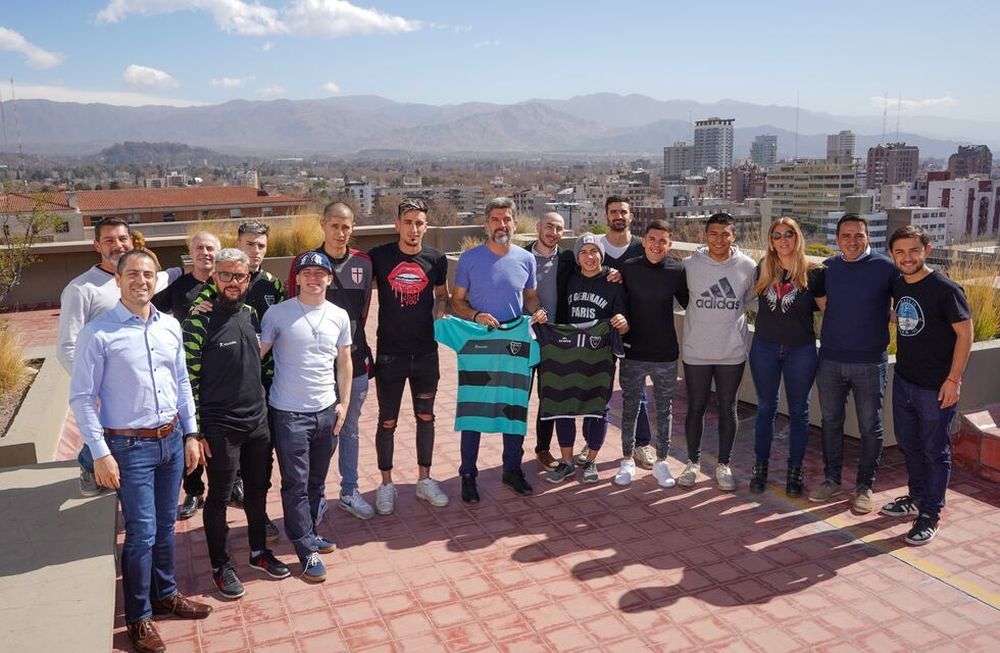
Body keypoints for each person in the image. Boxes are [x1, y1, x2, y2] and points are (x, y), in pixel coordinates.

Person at [69, 248, 211, 653]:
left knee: (166, 526)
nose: (142, 281)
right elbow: (81, 398)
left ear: (155, 280)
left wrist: (190, 434)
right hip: (128, 447)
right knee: (142, 533)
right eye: (133, 274)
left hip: (170, 441)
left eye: (148, 274)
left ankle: (165, 595)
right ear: (118, 279)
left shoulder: (169, 326)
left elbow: (182, 382)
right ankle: (138, 618)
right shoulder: (99, 333)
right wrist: (100, 453)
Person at [182, 248, 290, 600]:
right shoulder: (198, 321)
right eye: (226, 275)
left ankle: (258, 552)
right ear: (214, 277)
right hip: (219, 427)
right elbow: (187, 381)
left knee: (258, 490)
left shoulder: (250, 313)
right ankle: (220, 566)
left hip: (256, 422)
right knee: (219, 497)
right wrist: (195, 431)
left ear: (248, 279)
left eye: (240, 276)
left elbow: (262, 366)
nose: (233, 282)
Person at [57, 217, 180, 497]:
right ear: (97, 244)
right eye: (109, 240)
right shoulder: (81, 289)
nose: (117, 245)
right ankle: (90, 467)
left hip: (137, 375)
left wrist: (186, 269)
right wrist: (92, 385)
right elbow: (66, 345)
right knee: (101, 431)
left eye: (122, 239)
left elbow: (164, 277)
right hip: (101, 380)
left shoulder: (140, 277)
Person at [445, 197, 547, 502]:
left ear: (515, 223)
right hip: (480, 342)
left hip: (515, 343)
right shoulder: (469, 259)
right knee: (474, 408)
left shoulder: (526, 259)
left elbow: (530, 298)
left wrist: (538, 311)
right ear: (486, 224)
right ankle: (468, 474)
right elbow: (456, 301)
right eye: (495, 219)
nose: (501, 225)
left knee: (514, 409)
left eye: (507, 219)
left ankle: (512, 469)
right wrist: (476, 316)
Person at [190, 220, 285, 539]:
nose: (255, 250)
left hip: (263, 390)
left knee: (261, 469)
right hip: (223, 401)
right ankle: (223, 543)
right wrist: (196, 428)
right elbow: (194, 359)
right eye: (249, 244)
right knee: (227, 476)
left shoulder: (273, 284)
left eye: (261, 245)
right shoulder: (209, 294)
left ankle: (259, 523)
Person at [262, 251, 353, 582]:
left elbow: (344, 361)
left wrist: (343, 403)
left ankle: (309, 533)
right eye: (307, 273)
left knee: (316, 482)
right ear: (296, 278)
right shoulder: (277, 314)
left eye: (321, 273)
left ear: (330, 278)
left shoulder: (339, 316)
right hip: (289, 415)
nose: (314, 278)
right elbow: (256, 355)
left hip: (326, 413)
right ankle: (305, 548)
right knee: (296, 484)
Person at [880, 226, 972, 545]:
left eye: (914, 250)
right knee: (910, 443)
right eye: (900, 252)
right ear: (892, 255)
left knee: (935, 451)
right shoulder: (899, 283)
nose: (908, 258)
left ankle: (930, 513)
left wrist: (953, 380)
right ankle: (916, 498)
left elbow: (965, 334)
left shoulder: (946, 289)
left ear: (927, 250)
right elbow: (906, 318)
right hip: (905, 380)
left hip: (936, 387)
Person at [288, 202, 375, 520]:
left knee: (349, 429)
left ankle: (350, 492)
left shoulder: (364, 263)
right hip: (316, 371)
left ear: (353, 228)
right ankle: (316, 497)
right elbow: (293, 310)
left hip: (356, 365)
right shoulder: (305, 262)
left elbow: (362, 314)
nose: (340, 232)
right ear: (322, 225)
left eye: (346, 226)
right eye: (334, 226)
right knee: (319, 435)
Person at [808, 215, 898, 513]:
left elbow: (908, 299)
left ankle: (864, 486)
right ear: (837, 239)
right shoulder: (828, 268)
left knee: (870, 426)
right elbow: (820, 302)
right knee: (830, 422)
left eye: (858, 235)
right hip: (831, 359)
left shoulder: (886, 267)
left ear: (868, 236)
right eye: (846, 236)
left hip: (870, 362)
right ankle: (832, 479)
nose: (852, 241)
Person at [368, 198, 451, 515]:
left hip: (426, 354)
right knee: (386, 421)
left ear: (425, 226)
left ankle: (424, 480)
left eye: (419, 223)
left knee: (426, 418)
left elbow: (441, 295)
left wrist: (440, 312)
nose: (414, 228)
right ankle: (386, 485)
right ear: (397, 225)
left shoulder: (437, 259)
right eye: (408, 222)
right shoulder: (379, 257)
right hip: (390, 354)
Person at [541, 233, 628, 484]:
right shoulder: (569, 278)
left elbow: (623, 316)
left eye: (594, 251)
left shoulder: (614, 281)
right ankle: (567, 461)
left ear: (602, 255)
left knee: (596, 409)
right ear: (577, 257)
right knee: (563, 407)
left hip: (600, 354)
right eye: (584, 252)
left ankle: (590, 459)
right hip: (567, 352)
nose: (589, 257)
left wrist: (622, 322)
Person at [748, 218, 826, 497]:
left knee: (799, 412)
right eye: (777, 235)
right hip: (764, 348)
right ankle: (761, 467)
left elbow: (828, 313)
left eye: (788, 234)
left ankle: (795, 470)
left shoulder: (813, 273)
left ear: (797, 238)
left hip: (801, 351)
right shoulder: (762, 268)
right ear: (771, 240)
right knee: (766, 408)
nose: (783, 240)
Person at [679, 212, 756, 491]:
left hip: (731, 352)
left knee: (728, 408)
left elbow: (752, 301)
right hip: (696, 350)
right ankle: (692, 463)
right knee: (696, 407)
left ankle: (724, 465)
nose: (719, 239)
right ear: (705, 235)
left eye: (725, 233)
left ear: (733, 235)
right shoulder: (688, 265)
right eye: (714, 233)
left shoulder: (747, 266)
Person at [615, 220, 689, 488]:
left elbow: (689, 301)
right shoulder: (629, 268)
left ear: (669, 245)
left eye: (663, 241)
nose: (657, 245)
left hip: (665, 353)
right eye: (652, 239)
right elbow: (618, 302)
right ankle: (626, 461)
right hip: (633, 351)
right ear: (643, 241)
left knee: (664, 410)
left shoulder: (677, 270)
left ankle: (662, 462)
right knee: (630, 408)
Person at [155, 231, 220, 520]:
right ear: (190, 252)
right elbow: (152, 316)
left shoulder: (227, 282)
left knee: (221, 432)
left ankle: (230, 485)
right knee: (189, 434)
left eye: (210, 248)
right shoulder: (178, 287)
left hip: (222, 372)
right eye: (199, 248)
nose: (205, 252)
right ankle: (194, 490)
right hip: (187, 373)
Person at [590, 195, 655, 469]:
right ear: (606, 216)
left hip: (635, 330)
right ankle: (591, 446)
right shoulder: (593, 247)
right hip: (599, 332)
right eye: (613, 211)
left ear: (631, 216)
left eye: (623, 212)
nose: (618, 216)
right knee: (596, 390)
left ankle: (641, 445)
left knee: (636, 390)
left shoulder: (643, 248)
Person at [523, 212, 576, 470]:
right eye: (548, 226)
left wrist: (611, 273)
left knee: (549, 398)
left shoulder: (568, 260)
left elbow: (592, 271)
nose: (552, 232)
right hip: (524, 339)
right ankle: (512, 450)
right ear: (537, 227)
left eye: (558, 228)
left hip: (556, 340)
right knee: (519, 397)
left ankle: (542, 449)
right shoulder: (520, 256)